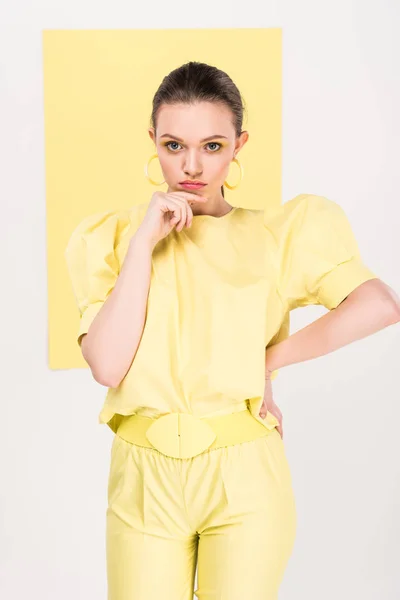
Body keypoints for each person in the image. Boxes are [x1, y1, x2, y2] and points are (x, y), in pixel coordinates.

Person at [64, 61, 400, 600]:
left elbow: (379, 305)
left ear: (239, 144)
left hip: (245, 475)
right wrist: (142, 246)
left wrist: (266, 362)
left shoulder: (275, 236)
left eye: (213, 146)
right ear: (152, 140)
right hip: (142, 479)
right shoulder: (111, 238)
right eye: (174, 146)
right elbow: (107, 365)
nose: (191, 165)